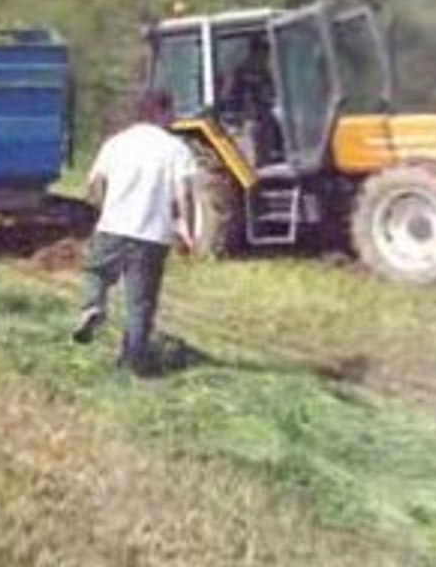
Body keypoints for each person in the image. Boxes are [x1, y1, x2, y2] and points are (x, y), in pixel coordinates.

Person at [72, 89, 197, 374]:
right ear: (160, 112)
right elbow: (184, 194)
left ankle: (93, 306)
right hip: (152, 236)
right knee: (141, 302)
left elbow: (94, 183)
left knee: (97, 272)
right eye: (172, 110)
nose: (175, 116)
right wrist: (186, 229)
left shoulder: (116, 143)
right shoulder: (176, 148)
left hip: (113, 227)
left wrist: (103, 208)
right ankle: (134, 362)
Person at [220, 34, 281, 166]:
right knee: (253, 152)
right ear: (255, 51)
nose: (266, 57)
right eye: (264, 52)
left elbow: (272, 92)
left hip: (264, 116)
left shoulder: (264, 73)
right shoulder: (239, 72)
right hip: (246, 120)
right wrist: (238, 118)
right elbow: (227, 97)